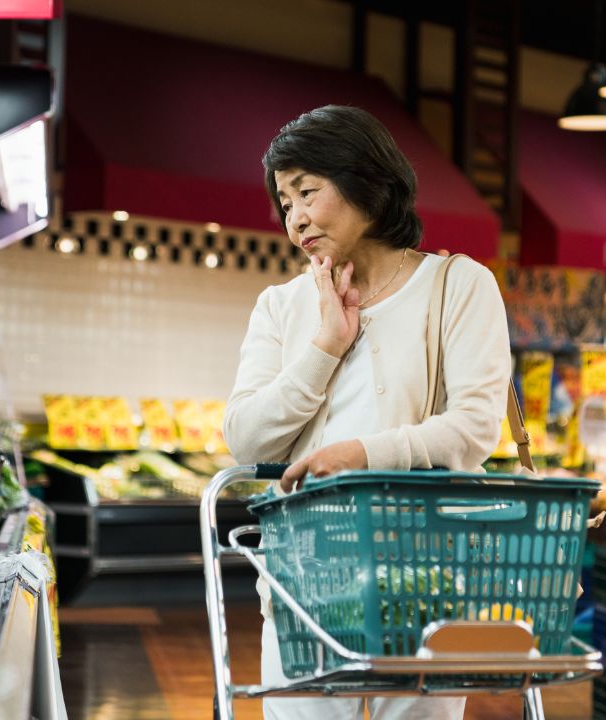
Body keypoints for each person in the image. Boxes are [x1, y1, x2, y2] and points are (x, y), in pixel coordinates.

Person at [222, 105, 512, 720]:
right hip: (305, 591)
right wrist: (325, 347)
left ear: (365, 181)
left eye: (308, 191)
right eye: (284, 199)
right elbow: (244, 436)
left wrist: (357, 457)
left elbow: (473, 429)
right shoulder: (282, 307)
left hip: (425, 584)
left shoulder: (458, 286)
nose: (295, 217)